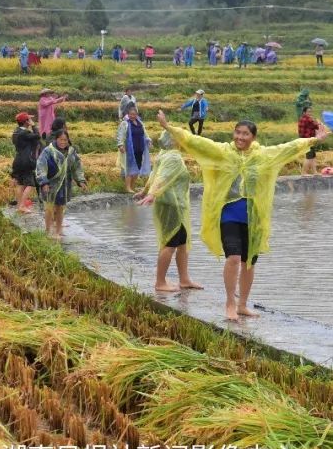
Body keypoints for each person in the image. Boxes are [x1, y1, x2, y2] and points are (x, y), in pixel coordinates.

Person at [157, 109, 328, 320]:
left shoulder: (262, 155)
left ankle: (242, 305)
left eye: (245, 134)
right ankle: (230, 303)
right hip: (229, 215)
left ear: (253, 137)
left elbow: (288, 148)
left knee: (249, 263)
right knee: (234, 258)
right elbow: (196, 142)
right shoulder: (222, 152)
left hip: (254, 218)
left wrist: (314, 140)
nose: (240, 137)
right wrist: (168, 127)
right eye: (237, 132)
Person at [138, 131, 203, 292]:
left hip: (175, 205)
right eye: (181, 138)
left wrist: (146, 191)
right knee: (170, 243)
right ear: (174, 141)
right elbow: (162, 177)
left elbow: (154, 175)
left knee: (182, 243)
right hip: (171, 206)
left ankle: (184, 280)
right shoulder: (173, 157)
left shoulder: (164, 154)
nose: (184, 140)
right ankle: (160, 282)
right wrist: (152, 194)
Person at [36, 129, 87, 240]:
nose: (63, 142)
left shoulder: (71, 152)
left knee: (60, 208)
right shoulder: (48, 151)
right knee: (49, 207)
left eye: (65, 140)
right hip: (50, 184)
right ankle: (48, 231)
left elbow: (77, 167)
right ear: (56, 139)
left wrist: (81, 180)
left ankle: (58, 231)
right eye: (61, 139)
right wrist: (44, 182)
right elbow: (41, 166)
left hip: (64, 184)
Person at [117, 105, 152, 193]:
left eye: (134, 114)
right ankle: (128, 187)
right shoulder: (125, 123)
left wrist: (148, 140)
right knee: (129, 168)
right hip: (130, 149)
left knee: (137, 167)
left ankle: (133, 186)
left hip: (140, 148)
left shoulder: (140, 122)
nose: (133, 116)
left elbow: (145, 133)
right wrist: (120, 145)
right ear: (128, 114)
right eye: (131, 114)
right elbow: (120, 135)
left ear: (137, 114)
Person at [11, 112, 40, 214]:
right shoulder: (25, 133)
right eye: (29, 119)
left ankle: (19, 206)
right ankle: (22, 206)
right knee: (30, 184)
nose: (31, 121)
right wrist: (34, 126)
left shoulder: (16, 132)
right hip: (26, 161)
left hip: (18, 160)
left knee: (20, 184)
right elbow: (38, 136)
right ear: (26, 122)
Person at [298, 106, 320, 175]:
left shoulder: (302, 118)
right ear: (304, 112)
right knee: (309, 157)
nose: (310, 113)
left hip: (307, 140)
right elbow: (317, 126)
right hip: (308, 140)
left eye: (311, 111)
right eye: (308, 112)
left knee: (313, 156)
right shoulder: (308, 119)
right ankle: (304, 172)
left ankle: (315, 172)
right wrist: (317, 122)